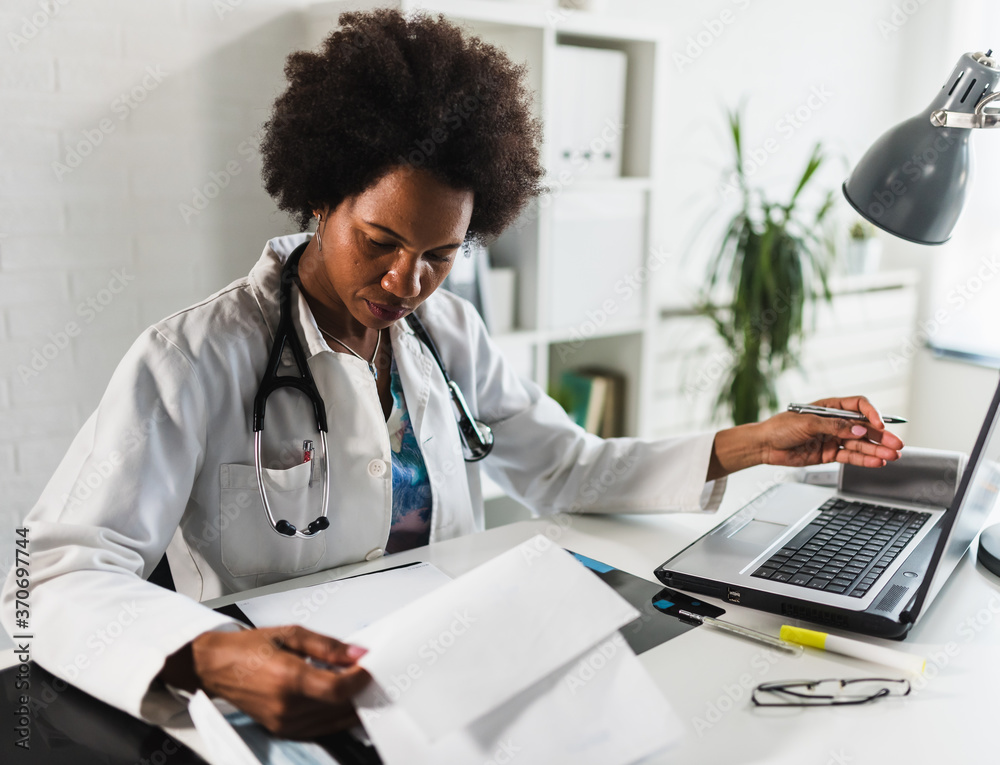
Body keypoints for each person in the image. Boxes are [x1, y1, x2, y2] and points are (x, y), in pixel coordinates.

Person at [1, 9, 903, 742]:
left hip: (449, 676)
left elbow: (565, 467)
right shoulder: (193, 356)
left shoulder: (447, 331)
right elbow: (43, 575)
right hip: (293, 700)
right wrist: (206, 655)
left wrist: (752, 442)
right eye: (381, 242)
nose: (406, 282)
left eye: (441, 253)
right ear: (320, 195)